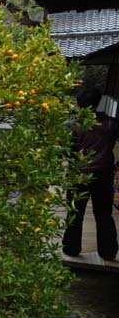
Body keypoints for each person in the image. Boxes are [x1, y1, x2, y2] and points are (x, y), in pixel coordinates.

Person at [62, 87, 119, 260]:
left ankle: (71, 248)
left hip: (79, 173)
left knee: (75, 212)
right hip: (103, 174)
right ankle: (108, 252)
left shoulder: (73, 125)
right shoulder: (112, 124)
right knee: (103, 213)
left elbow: (68, 152)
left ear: (79, 105)